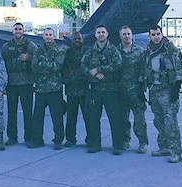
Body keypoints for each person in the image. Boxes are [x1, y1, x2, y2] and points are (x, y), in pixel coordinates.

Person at [142, 24, 182, 163]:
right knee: (158, 121)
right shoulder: (147, 50)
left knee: (170, 122)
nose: (156, 37)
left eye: (158, 34)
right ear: (149, 36)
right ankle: (164, 147)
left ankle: (175, 151)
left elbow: (179, 68)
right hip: (154, 90)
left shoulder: (170, 49)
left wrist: (176, 88)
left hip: (167, 90)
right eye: (153, 35)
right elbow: (145, 70)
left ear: (162, 34)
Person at [81, 25, 123, 155]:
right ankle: (95, 144)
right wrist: (91, 73)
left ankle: (117, 145)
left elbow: (118, 64)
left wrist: (100, 70)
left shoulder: (113, 50)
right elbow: (82, 65)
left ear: (107, 34)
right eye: (98, 32)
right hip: (95, 90)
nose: (101, 34)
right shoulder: (90, 52)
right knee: (93, 118)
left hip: (111, 89)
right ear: (95, 35)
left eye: (103, 32)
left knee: (114, 118)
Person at [1, 22, 38, 145]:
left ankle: (29, 137)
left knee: (28, 112)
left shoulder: (30, 45)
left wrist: (29, 57)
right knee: (11, 112)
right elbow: (2, 65)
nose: (18, 31)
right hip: (11, 84)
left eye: (20, 29)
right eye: (16, 29)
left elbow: (38, 57)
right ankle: (12, 137)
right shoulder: (6, 46)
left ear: (23, 30)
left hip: (26, 83)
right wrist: (3, 84)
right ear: (12, 31)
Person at [29, 28, 66, 150]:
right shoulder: (38, 51)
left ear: (54, 36)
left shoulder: (59, 50)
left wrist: (42, 64)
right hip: (40, 89)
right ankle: (37, 139)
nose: (48, 37)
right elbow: (34, 67)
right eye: (46, 35)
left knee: (57, 116)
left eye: (50, 35)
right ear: (43, 37)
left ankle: (58, 140)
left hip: (54, 88)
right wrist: (47, 64)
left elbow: (57, 67)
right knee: (37, 116)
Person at [118, 25, 148, 153]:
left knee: (139, 120)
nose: (126, 36)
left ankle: (143, 143)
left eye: (128, 34)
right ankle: (125, 141)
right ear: (120, 36)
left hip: (136, 90)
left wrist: (142, 87)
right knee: (123, 119)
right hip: (121, 91)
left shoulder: (140, 51)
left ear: (132, 35)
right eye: (124, 34)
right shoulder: (115, 52)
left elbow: (145, 70)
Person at [62, 31, 89, 147]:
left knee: (88, 117)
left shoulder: (88, 52)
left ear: (83, 40)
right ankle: (70, 139)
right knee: (71, 117)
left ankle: (91, 139)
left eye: (79, 39)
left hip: (85, 90)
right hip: (71, 90)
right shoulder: (67, 53)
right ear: (71, 41)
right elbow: (62, 69)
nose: (77, 41)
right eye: (75, 39)